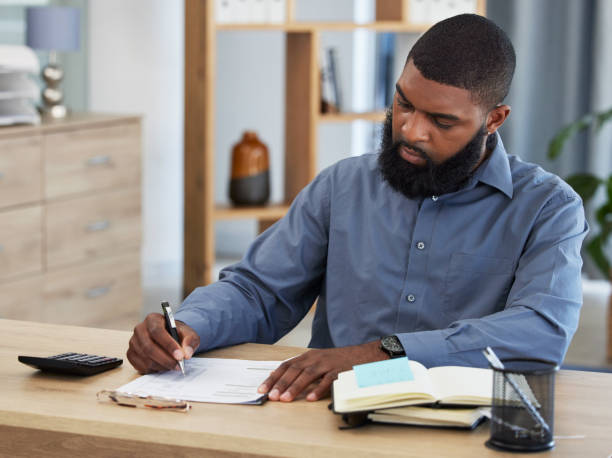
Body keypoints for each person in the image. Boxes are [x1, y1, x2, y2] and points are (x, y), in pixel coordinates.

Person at [127, 14, 588, 403]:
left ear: (494, 119)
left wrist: (382, 353)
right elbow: (259, 291)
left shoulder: (549, 208)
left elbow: (539, 332)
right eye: (403, 102)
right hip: (326, 416)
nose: (410, 130)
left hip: (464, 426)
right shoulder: (341, 186)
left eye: (441, 121)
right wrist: (188, 327)